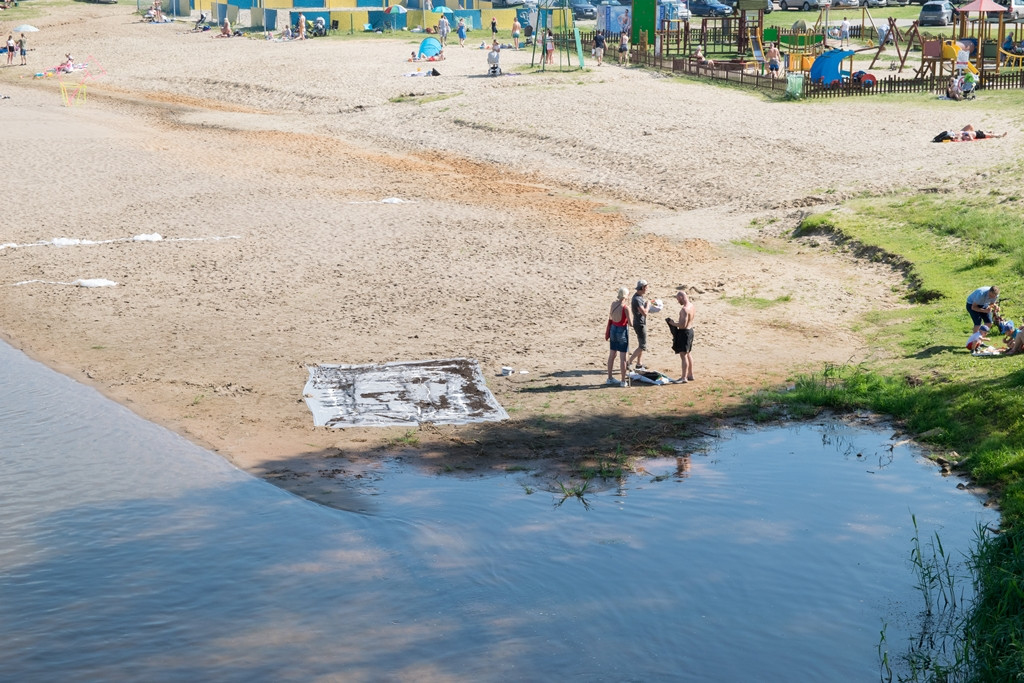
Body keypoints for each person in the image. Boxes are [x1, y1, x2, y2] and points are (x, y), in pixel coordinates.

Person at [666, 290, 695, 383]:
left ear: (682, 297)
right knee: (688, 353)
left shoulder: (684, 309)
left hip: (685, 333)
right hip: (690, 331)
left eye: (678, 299)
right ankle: (690, 374)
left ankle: (684, 377)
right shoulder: (692, 306)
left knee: (683, 355)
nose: (678, 301)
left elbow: (682, 325)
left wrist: (673, 323)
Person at [605, 287, 631, 387]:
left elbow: (611, 317)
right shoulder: (625, 308)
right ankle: (623, 381)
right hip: (622, 331)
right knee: (623, 358)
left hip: (613, 329)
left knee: (612, 355)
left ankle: (610, 378)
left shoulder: (613, 304)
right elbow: (631, 323)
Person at [627, 280, 651, 371]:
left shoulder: (639, 297)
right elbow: (644, 313)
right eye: (646, 287)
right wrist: (648, 305)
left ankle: (639, 364)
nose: (647, 289)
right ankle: (629, 362)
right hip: (639, 324)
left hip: (639, 323)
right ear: (643, 288)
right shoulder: (637, 299)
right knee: (642, 346)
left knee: (641, 344)